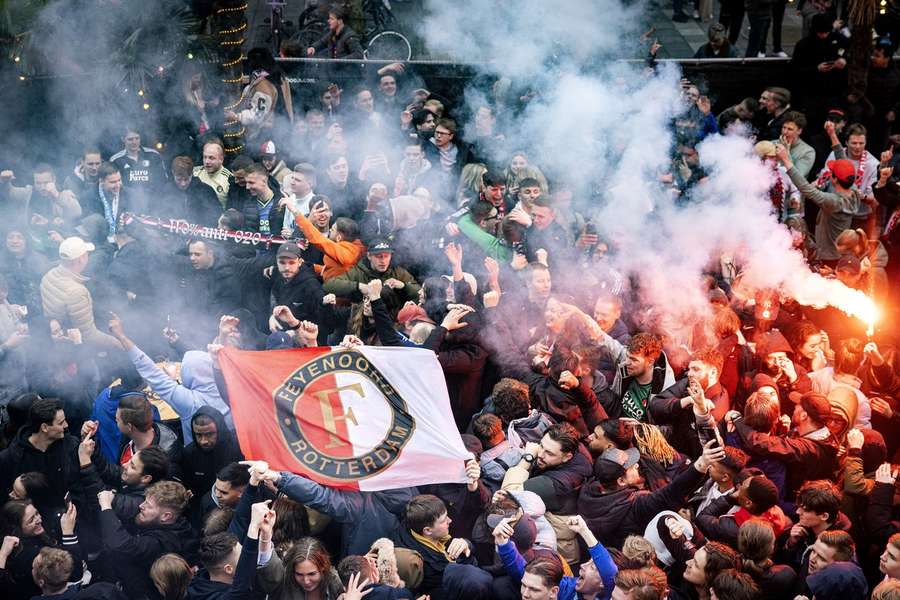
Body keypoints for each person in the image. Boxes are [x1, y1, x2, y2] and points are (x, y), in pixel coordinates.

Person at [578, 440, 724, 549]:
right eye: (631, 467)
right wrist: (702, 464)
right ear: (621, 481)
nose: (636, 465)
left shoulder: (587, 492)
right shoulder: (635, 506)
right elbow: (671, 493)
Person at [96, 481, 195, 600]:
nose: (141, 506)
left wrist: (106, 506)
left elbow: (123, 546)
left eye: (148, 505)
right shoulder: (166, 523)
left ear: (166, 516)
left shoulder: (166, 542)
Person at [40, 237, 120, 351]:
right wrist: (119, 343)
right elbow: (89, 335)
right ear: (81, 259)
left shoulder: (49, 275)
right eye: (86, 254)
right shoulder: (76, 292)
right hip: (74, 349)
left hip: (57, 338)